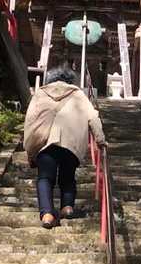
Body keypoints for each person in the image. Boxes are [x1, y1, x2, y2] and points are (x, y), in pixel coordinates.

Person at [23, 65, 106, 229]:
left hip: (45, 142)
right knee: (68, 177)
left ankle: (47, 214)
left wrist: (29, 147)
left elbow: (30, 119)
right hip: (71, 142)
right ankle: (67, 207)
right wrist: (100, 139)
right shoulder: (78, 94)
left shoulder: (40, 93)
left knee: (45, 178)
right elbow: (93, 117)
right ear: (70, 81)